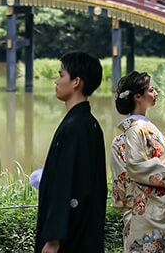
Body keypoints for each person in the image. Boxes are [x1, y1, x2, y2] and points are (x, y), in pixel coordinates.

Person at [35, 51, 107, 253]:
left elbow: (64, 184)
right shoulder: (89, 123)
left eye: (61, 75)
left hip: (68, 238)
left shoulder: (75, 126)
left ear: (76, 82)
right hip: (84, 229)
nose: (56, 81)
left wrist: (53, 239)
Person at [110, 71, 165, 253]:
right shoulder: (137, 131)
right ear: (137, 97)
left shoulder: (122, 138)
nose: (155, 93)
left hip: (146, 207)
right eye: (151, 90)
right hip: (150, 212)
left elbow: (122, 180)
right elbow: (136, 167)